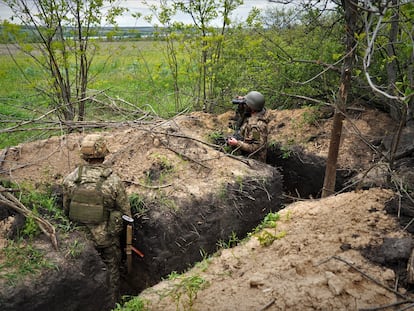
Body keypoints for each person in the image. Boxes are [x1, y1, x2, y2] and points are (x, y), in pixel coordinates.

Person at [62, 134, 131, 304]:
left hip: (79, 239)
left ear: (84, 156)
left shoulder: (71, 179)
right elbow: (126, 213)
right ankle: (113, 303)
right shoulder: (113, 181)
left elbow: (65, 209)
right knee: (112, 269)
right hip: (106, 239)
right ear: (103, 154)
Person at [227, 91, 269, 162]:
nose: (245, 105)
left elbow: (256, 147)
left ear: (251, 107)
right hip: (246, 156)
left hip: (254, 162)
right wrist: (243, 100)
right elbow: (241, 114)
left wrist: (237, 143)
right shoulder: (252, 114)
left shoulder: (256, 126)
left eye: (246, 104)